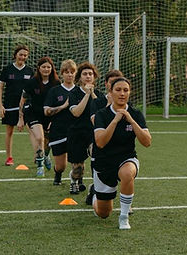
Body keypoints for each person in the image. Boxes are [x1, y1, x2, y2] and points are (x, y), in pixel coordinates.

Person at [86, 76, 152, 230]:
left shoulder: (135, 114)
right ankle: (97, 195)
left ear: (130, 93)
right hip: (104, 162)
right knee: (103, 213)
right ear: (111, 92)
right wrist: (115, 121)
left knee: (128, 173)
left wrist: (131, 121)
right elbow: (100, 142)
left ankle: (123, 217)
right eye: (118, 90)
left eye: (125, 90)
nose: (122, 93)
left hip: (126, 158)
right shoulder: (102, 115)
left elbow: (147, 142)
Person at [20, 56, 59, 176]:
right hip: (33, 114)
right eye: (44, 67)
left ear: (52, 69)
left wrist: (55, 118)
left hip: (49, 115)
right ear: (39, 68)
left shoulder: (56, 83)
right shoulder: (32, 82)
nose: (46, 69)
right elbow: (22, 100)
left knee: (48, 142)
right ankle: (40, 166)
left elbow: (58, 102)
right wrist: (20, 119)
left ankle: (46, 156)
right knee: (39, 138)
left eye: (48, 67)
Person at [0, 46, 33, 166]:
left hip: (26, 106)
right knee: (9, 131)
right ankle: (9, 158)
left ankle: (37, 156)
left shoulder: (29, 71)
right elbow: (1, 87)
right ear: (15, 55)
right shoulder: (7, 69)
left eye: (25, 55)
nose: (22, 57)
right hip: (10, 105)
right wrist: (0, 105)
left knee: (32, 130)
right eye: (21, 54)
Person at [66, 61, 99, 195]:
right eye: (85, 74)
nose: (88, 76)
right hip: (76, 133)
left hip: (93, 133)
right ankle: (74, 181)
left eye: (90, 74)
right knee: (78, 169)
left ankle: (97, 185)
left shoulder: (98, 94)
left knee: (96, 156)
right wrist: (86, 94)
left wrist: (92, 94)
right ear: (80, 77)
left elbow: (101, 110)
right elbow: (76, 112)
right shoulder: (74, 93)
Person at [44, 59, 77, 186]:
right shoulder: (54, 91)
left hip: (75, 131)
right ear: (62, 74)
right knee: (61, 166)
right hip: (58, 131)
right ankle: (57, 174)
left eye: (72, 72)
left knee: (77, 162)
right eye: (66, 72)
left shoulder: (79, 91)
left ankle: (77, 181)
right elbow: (46, 111)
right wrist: (63, 106)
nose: (69, 74)